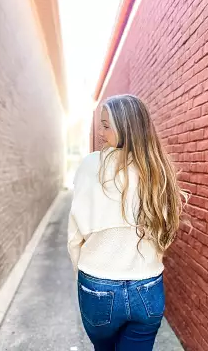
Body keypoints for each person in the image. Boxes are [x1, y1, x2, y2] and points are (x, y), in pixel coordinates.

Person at [68, 94, 189, 351]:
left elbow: (74, 236)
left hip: (99, 285)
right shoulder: (158, 169)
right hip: (147, 286)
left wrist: (83, 270)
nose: (100, 133)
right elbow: (165, 234)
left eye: (106, 125)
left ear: (125, 126)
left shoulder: (92, 165)